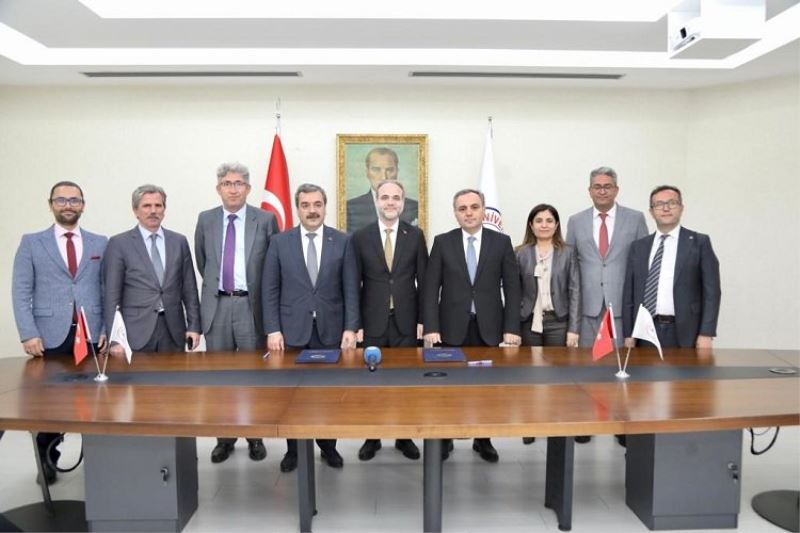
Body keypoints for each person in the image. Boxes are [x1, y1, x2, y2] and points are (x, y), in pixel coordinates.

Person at [12, 181, 108, 485]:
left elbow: (106, 289)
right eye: (61, 200)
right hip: (49, 336)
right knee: (51, 404)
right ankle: (47, 461)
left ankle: (98, 462)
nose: (68, 205)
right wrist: (28, 333)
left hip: (90, 336)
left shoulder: (100, 243)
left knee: (95, 401)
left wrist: (105, 328)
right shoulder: (32, 243)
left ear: (83, 205)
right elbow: (20, 291)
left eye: (74, 200)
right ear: (51, 204)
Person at [263, 184, 359, 472]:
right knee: (291, 394)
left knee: (328, 392)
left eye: (317, 204)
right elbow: (270, 289)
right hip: (291, 330)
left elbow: (351, 288)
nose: (312, 210)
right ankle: (294, 450)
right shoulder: (280, 242)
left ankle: (328, 446)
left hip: (331, 329)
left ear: (325, 206)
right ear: (298, 209)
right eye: (306, 205)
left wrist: (351, 327)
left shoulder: (342, 241)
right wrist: (273, 329)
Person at [423, 189, 521, 462]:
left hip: (489, 328)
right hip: (450, 327)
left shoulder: (501, 242)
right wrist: (431, 326)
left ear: (483, 210)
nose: (468, 213)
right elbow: (431, 288)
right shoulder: (443, 242)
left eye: (474, 207)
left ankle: (483, 439)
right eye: (462, 208)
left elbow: (512, 288)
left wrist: (512, 328)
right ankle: (445, 439)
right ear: (455, 213)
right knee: (448, 387)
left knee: (486, 386)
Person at [195, 162, 279, 464]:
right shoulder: (206, 219)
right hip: (217, 306)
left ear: (248, 188)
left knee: (252, 375)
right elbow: (203, 261)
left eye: (239, 183)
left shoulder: (265, 220)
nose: (233, 189)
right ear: (218, 188)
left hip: (250, 306)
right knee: (220, 378)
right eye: (227, 183)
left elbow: (273, 266)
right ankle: (225, 438)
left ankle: (254, 436)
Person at [565, 167, 647, 444]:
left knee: (621, 368)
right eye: (597, 186)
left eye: (607, 186)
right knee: (586, 366)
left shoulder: (635, 219)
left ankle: (621, 424)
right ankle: (585, 422)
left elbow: (642, 264)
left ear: (616, 190)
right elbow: (570, 264)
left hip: (621, 304)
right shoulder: (575, 221)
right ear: (589, 190)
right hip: (587, 307)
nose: (602, 190)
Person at [352, 180, 427, 462]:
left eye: (396, 197)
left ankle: (404, 436)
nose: (390, 202)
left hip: (406, 321)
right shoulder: (361, 237)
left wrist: (424, 319)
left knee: (405, 381)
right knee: (372, 382)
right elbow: (353, 284)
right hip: (372, 322)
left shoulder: (415, 235)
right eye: (385, 197)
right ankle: (372, 436)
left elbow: (425, 281)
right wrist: (355, 324)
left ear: (403, 202)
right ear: (377, 201)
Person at [104, 185, 201, 354]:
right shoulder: (119, 243)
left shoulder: (178, 241)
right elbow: (112, 295)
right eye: (147, 206)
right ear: (136, 210)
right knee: (139, 373)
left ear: (164, 209)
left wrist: (194, 326)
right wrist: (114, 339)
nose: (153, 211)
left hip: (173, 330)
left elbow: (189, 289)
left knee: (174, 372)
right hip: (135, 331)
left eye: (158, 205)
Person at [623, 185, 721, 349]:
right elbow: (629, 294)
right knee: (645, 367)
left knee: (684, 368)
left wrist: (707, 332)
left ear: (681, 208)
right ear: (651, 211)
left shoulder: (699, 243)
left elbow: (712, 292)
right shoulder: (639, 247)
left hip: (686, 331)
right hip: (645, 331)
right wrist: (629, 333)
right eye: (659, 204)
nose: (666, 208)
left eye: (672, 203)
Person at [516, 203, 580, 445]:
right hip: (528, 321)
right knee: (529, 376)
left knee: (557, 376)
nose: (544, 225)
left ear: (556, 225)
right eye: (539, 221)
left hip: (558, 321)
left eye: (549, 221)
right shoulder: (520, 253)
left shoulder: (568, 252)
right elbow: (513, 291)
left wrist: (573, 328)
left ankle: (556, 423)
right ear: (531, 225)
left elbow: (575, 290)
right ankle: (530, 424)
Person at [346, 146, 419, 232]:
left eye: (389, 170)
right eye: (376, 170)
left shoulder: (415, 207)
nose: (384, 177)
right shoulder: (350, 208)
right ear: (367, 172)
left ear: (397, 172)